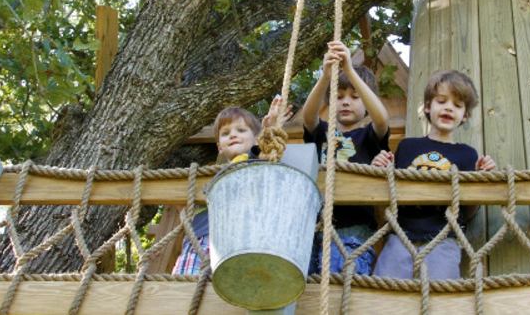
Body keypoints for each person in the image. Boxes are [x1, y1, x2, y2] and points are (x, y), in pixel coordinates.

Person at [370, 69, 496, 279]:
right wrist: (381, 166)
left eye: (457, 105)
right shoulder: (408, 147)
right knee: (384, 296)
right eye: (441, 101)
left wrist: (482, 178)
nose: (449, 107)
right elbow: (389, 193)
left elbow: (469, 210)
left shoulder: (467, 155)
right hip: (401, 237)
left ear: (465, 115)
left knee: (440, 301)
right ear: (428, 106)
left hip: (444, 240)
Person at [172, 97, 290, 274]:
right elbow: (181, 200)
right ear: (220, 147)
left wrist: (270, 125)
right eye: (226, 133)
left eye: (241, 130)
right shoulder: (208, 174)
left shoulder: (255, 161)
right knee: (184, 290)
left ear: (256, 139)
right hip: (202, 238)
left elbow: (268, 150)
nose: (233, 135)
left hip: (239, 241)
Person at [302, 40, 390, 275]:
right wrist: (325, 77)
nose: (346, 101)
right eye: (339, 96)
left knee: (341, 285)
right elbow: (308, 117)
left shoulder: (368, 136)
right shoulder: (322, 133)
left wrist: (350, 70)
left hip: (355, 229)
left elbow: (381, 119)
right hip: (315, 228)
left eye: (354, 96)